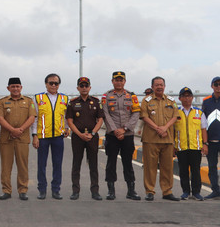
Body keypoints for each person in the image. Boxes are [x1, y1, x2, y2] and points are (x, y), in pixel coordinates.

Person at [101, 71, 141, 201]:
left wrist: (124, 129)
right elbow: (106, 114)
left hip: (127, 134)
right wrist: (115, 130)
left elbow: (136, 114)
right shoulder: (106, 96)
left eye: (121, 80)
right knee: (111, 162)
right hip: (112, 135)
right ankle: (111, 191)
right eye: (116, 80)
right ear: (112, 81)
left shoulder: (132, 96)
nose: (119, 82)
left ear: (125, 81)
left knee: (128, 163)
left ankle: (131, 190)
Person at [0, 77, 36, 201]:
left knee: (22, 165)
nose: (15, 89)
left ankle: (23, 190)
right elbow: (0, 118)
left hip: (22, 138)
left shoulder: (28, 101)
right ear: (8, 88)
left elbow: (32, 117)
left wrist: (20, 130)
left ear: (21, 87)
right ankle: (6, 190)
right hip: (6, 138)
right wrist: (12, 130)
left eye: (17, 86)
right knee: (6, 166)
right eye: (12, 86)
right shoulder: (2, 102)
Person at [140, 76, 179, 201]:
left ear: (164, 86)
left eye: (161, 84)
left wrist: (165, 128)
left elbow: (175, 117)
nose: (159, 87)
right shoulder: (146, 100)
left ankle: (167, 191)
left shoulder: (171, 101)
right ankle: (150, 191)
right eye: (156, 85)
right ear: (152, 87)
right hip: (150, 139)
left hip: (167, 139)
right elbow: (145, 117)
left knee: (167, 167)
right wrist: (158, 128)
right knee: (150, 167)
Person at [66, 77, 104, 200]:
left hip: (92, 137)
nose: (84, 88)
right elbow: (70, 122)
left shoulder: (96, 102)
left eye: (86, 86)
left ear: (90, 87)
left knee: (93, 165)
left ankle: (95, 191)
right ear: (77, 88)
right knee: (76, 164)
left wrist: (92, 133)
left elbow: (100, 120)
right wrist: (79, 134)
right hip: (78, 137)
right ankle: (75, 191)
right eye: (81, 86)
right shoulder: (72, 103)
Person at [32, 73, 69, 200]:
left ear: (59, 84)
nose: (53, 85)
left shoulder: (64, 98)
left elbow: (65, 116)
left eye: (56, 83)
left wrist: (67, 128)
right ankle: (42, 189)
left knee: (57, 164)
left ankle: (56, 190)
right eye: (51, 83)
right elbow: (34, 118)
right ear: (46, 84)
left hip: (58, 137)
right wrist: (34, 135)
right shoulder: (38, 98)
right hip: (42, 136)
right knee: (41, 164)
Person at [174, 87, 208, 201]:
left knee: (196, 170)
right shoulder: (176, 112)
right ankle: (185, 192)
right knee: (183, 171)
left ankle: (196, 192)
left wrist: (205, 144)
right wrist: (173, 145)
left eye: (189, 96)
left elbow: (203, 129)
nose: (187, 98)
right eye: (184, 96)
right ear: (180, 98)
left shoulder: (199, 112)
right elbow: (173, 130)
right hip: (181, 146)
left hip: (195, 146)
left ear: (192, 98)